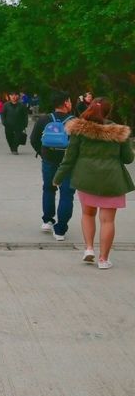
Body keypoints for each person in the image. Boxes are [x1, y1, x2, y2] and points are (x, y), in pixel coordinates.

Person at [53, 98, 134, 269]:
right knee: (107, 221)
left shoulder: (79, 130)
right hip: (112, 180)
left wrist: (58, 178)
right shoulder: (119, 132)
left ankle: (89, 249)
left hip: (86, 178)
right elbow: (128, 159)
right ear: (108, 112)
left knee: (88, 214)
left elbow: (69, 158)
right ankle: (103, 260)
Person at [30, 92, 76, 241]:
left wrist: (42, 153)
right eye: (69, 101)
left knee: (49, 189)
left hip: (49, 160)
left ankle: (47, 220)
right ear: (65, 103)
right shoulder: (75, 121)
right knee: (67, 194)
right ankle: (60, 230)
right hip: (68, 163)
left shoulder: (45, 119)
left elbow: (34, 139)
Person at [1, 91, 30, 155]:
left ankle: (14, 149)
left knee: (17, 137)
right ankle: (12, 147)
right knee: (9, 137)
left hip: (19, 125)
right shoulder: (6, 105)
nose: (13, 97)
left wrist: (25, 124)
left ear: (17, 96)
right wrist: (4, 122)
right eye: (12, 95)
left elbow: (25, 115)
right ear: (10, 96)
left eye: (15, 95)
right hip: (8, 125)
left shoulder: (22, 105)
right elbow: (3, 114)